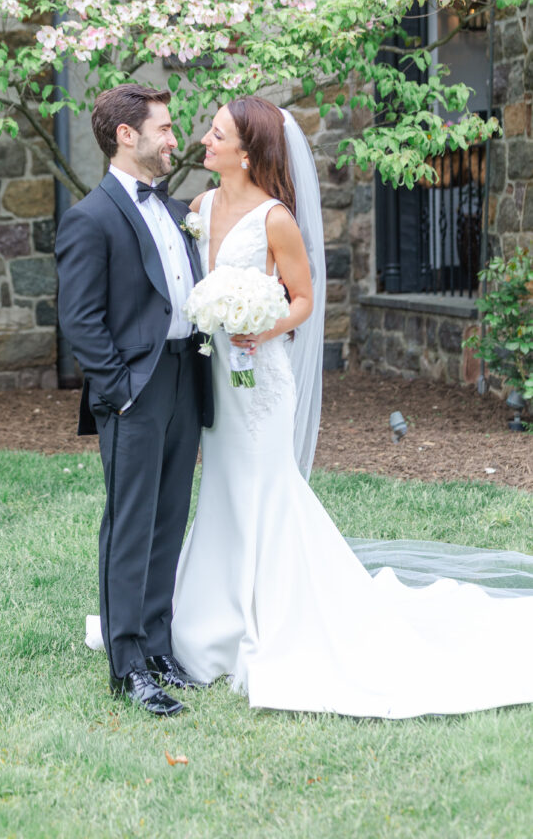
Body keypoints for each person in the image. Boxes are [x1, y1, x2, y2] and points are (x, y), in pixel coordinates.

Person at [169, 95, 533, 718]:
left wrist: (265, 324)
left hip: (262, 378)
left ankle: (272, 623)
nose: (205, 137)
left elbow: (306, 299)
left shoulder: (275, 218)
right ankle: (208, 623)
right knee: (223, 488)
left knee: (264, 486)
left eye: (218, 131)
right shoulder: (201, 208)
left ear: (248, 151)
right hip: (216, 378)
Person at [56, 83, 212, 717]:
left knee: (168, 518)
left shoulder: (177, 212)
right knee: (130, 525)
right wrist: (119, 390)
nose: (176, 139)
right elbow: (80, 319)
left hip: (184, 378)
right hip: (134, 391)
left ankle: (158, 647)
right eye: (166, 129)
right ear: (128, 135)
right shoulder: (90, 218)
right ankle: (127, 667)